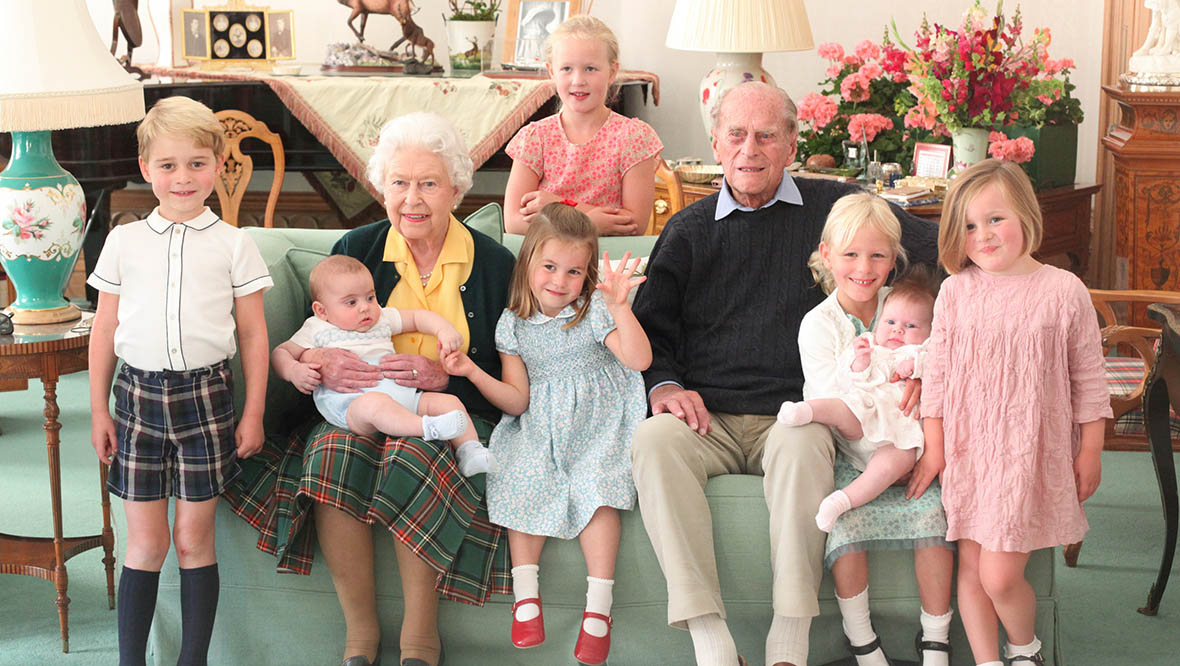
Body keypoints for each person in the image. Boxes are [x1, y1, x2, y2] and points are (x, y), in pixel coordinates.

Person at [630, 80, 938, 666]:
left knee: (801, 447)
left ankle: (788, 641)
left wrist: (932, 358)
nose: (751, 149)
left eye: (767, 136)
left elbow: (939, 252)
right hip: (706, 417)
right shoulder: (689, 231)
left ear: (792, 143)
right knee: (651, 441)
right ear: (716, 144)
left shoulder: (834, 209)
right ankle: (710, 640)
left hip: (794, 414)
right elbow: (651, 330)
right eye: (738, 135)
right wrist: (665, 385)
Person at [224, 112, 515, 666]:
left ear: (456, 189)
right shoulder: (358, 247)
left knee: (416, 454)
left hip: (447, 409)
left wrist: (448, 375)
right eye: (399, 183)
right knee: (331, 453)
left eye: (429, 183)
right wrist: (317, 359)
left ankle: (419, 637)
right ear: (383, 187)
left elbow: (511, 368)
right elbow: (314, 333)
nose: (413, 199)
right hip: (353, 407)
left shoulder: (493, 263)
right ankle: (360, 634)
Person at [87, 96, 272, 666]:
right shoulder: (123, 242)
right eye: (168, 165)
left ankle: (193, 660)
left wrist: (253, 412)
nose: (183, 177)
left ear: (219, 165)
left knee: (193, 540)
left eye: (197, 162)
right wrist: (98, 410)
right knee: (146, 542)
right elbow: (104, 331)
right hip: (136, 402)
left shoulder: (234, 244)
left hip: (206, 402)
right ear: (146, 170)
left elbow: (253, 338)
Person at [908, 159, 1111, 666]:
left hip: (1026, 455)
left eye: (995, 219)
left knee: (999, 575)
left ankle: (1026, 650)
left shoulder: (1064, 291)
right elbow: (937, 376)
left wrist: (1091, 449)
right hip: (969, 451)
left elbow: (1089, 380)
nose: (984, 235)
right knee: (972, 571)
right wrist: (935, 448)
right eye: (970, 226)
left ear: (1025, 213)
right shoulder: (956, 291)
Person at [442, 202, 650, 666]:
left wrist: (619, 307)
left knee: (597, 490)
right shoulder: (512, 324)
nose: (560, 281)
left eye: (574, 271)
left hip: (601, 420)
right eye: (550, 267)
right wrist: (474, 372)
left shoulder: (593, 307)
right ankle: (526, 597)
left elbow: (638, 361)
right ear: (529, 263)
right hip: (541, 421)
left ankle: (599, 610)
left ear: (588, 274)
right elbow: (517, 400)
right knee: (520, 476)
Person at [791, 193, 953, 666]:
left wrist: (922, 376)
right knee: (844, 525)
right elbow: (837, 402)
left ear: (894, 260)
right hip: (853, 449)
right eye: (851, 255)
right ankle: (861, 638)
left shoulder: (904, 305)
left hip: (910, 443)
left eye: (878, 255)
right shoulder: (818, 325)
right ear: (827, 256)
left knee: (934, 520)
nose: (865, 267)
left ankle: (936, 637)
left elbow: (939, 352)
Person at [271, 255, 496, 476]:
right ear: (322, 310)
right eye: (351, 302)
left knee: (449, 402)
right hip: (353, 405)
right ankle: (427, 427)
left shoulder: (382, 319)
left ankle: (471, 451)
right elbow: (281, 353)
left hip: (404, 394)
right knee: (375, 404)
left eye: (370, 297)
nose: (365, 308)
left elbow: (418, 317)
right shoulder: (317, 327)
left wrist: (443, 330)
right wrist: (294, 371)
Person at [782, 263, 939, 533]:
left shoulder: (924, 352)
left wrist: (916, 369)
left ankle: (841, 502)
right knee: (842, 407)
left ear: (928, 332)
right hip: (862, 416)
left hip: (898, 435)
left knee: (894, 462)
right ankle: (803, 411)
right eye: (890, 322)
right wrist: (860, 361)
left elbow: (939, 370)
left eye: (910, 326)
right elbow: (847, 380)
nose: (897, 331)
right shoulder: (870, 344)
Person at [503, 15, 662, 236]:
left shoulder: (634, 138)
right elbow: (513, 223)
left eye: (590, 69)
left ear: (612, 72)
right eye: (567, 68)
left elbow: (633, 224)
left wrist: (560, 207)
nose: (578, 80)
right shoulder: (535, 138)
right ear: (551, 71)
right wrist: (589, 222)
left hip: (610, 263)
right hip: (549, 265)